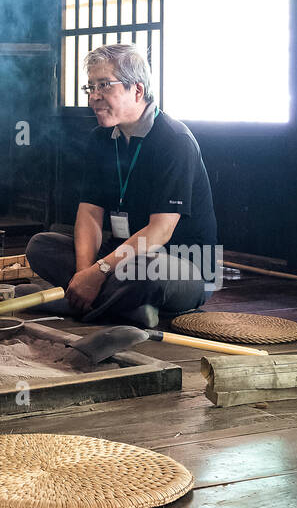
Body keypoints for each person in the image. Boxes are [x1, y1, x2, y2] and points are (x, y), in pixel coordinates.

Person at [26, 43, 219, 328]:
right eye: (90, 87)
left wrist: (99, 271)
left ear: (137, 90)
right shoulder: (100, 139)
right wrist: (85, 276)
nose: (94, 97)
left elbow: (160, 231)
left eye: (104, 85)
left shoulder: (174, 141)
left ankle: (85, 304)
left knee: (144, 270)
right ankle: (123, 308)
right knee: (40, 246)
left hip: (180, 263)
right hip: (119, 259)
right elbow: (89, 214)